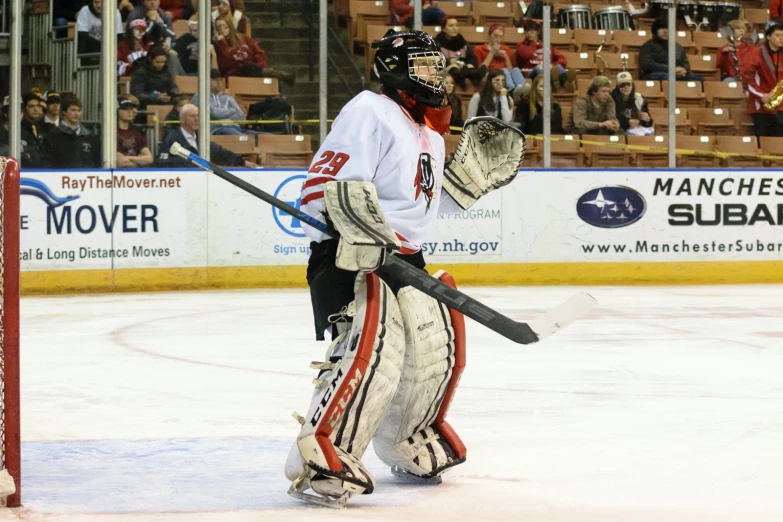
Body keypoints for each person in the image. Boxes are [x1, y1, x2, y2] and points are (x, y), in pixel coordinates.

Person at [285, 29, 521, 509]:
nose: (436, 75)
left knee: (428, 348)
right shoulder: (370, 110)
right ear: (395, 70)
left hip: (405, 257)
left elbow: (420, 204)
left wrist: (464, 187)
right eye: (425, 67)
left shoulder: (428, 129)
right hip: (351, 253)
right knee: (369, 353)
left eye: (438, 66)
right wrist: (357, 229)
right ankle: (321, 453)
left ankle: (406, 440)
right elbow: (323, 186)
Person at [156, 104, 258, 167]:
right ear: (182, 119)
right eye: (192, 116)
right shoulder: (171, 139)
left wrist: (243, 162)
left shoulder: (200, 139)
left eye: (198, 116)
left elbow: (221, 152)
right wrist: (192, 164)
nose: (197, 119)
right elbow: (161, 163)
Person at [214, 18, 296, 85]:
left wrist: (259, 65)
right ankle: (283, 76)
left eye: (224, 26)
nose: (221, 29)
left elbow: (259, 54)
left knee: (272, 79)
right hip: (234, 73)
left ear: (230, 27)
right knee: (248, 67)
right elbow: (226, 65)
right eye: (218, 27)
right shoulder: (218, 45)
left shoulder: (244, 38)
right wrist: (222, 43)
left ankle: (280, 98)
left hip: (252, 69)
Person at [742, 18, 783, 137]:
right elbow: (747, 79)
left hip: (780, 106)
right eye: (777, 35)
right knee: (764, 143)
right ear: (768, 37)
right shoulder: (755, 53)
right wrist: (761, 95)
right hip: (761, 107)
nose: (781, 38)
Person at [42, 96, 101, 169]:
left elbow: (97, 162)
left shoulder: (91, 136)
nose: (77, 114)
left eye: (79, 110)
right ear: (64, 111)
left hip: (86, 179)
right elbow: (49, 162)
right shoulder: (53, 134)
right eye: (73, 110)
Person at [515, 19, 574, 91]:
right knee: (539, 68)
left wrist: (552, 65)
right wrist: (537, 46)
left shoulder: (547, 45)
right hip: (530, 73)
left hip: (547, 70)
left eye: (532, 31)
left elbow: (562, 59)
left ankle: (564, 84)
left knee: (558, 67)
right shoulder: (521, 46)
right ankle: (554, 85)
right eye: (527, 31)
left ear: (538, 32)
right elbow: (526, 54)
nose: (529, 33)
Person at [638, 18, 704, 82]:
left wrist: (684, 70)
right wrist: (670, 69)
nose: (665, 31)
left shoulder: (677, 47)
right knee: (665, 76)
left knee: (699, 80)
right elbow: (647, 65)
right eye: (662, 28)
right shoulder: (647, 46)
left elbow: (685, 63)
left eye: (668, 28)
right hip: (655, 75)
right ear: (655, 31)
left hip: (676, 75)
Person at [191, 69, 252, 135]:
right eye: (215, 80)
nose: (219, 83)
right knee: (245, 138)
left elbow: (241, 118)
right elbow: (213, 113)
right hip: (215, 130)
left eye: (220, 80)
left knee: (262, 136)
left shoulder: (227, 97)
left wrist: (222, 119)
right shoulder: (199, 97)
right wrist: (232, 110)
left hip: (235, 128)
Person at [474, 24, 527, 99]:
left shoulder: (506, 49)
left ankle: (523, 88)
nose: (498, 39)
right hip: (489, 74)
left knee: (516, 69)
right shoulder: (479, 49)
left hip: (505, 75)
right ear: (489, 36)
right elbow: (480, 70)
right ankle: (511, 90)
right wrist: (492, 53)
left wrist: (506, 56)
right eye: (495, 36)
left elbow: (511, 70)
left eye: (501, 37)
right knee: (503, 70)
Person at [435, 17, 485, 88]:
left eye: (456, 25)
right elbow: (434, 61)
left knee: (470, 68)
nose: (455, 28)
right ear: (444, 29)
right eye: (451, 26)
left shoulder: (463, 42)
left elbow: (473, 58)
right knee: (454, 69)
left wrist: (467, 64)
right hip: (447, 69)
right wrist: (448, 61)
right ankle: (465, 77)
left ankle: (475, 76)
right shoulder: (437, 43)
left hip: (464, 67)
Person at [130, 46, 181, 110]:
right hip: (145, 106)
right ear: (150, 59)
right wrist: (155, 97)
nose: (161, 65)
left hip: (164, 103)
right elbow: (136, 94)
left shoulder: (166, 70)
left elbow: (173, 87)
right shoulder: (140, 72)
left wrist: (171, 95)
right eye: (157, 62)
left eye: (163, 62)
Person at [116, 95, 154, 168]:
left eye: (131, 108)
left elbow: (149, 159)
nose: (130, 111)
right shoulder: (111, 133)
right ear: (117, 111)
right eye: (125, 109)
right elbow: (121, 162)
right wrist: (140, 160)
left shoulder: (137, 131)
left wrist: (128, 158)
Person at [20, 92, 47, 168]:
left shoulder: (43, 127)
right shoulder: (19, 128)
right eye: (31, 106)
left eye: (38, 106)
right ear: (24, 109)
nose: (36, 109)